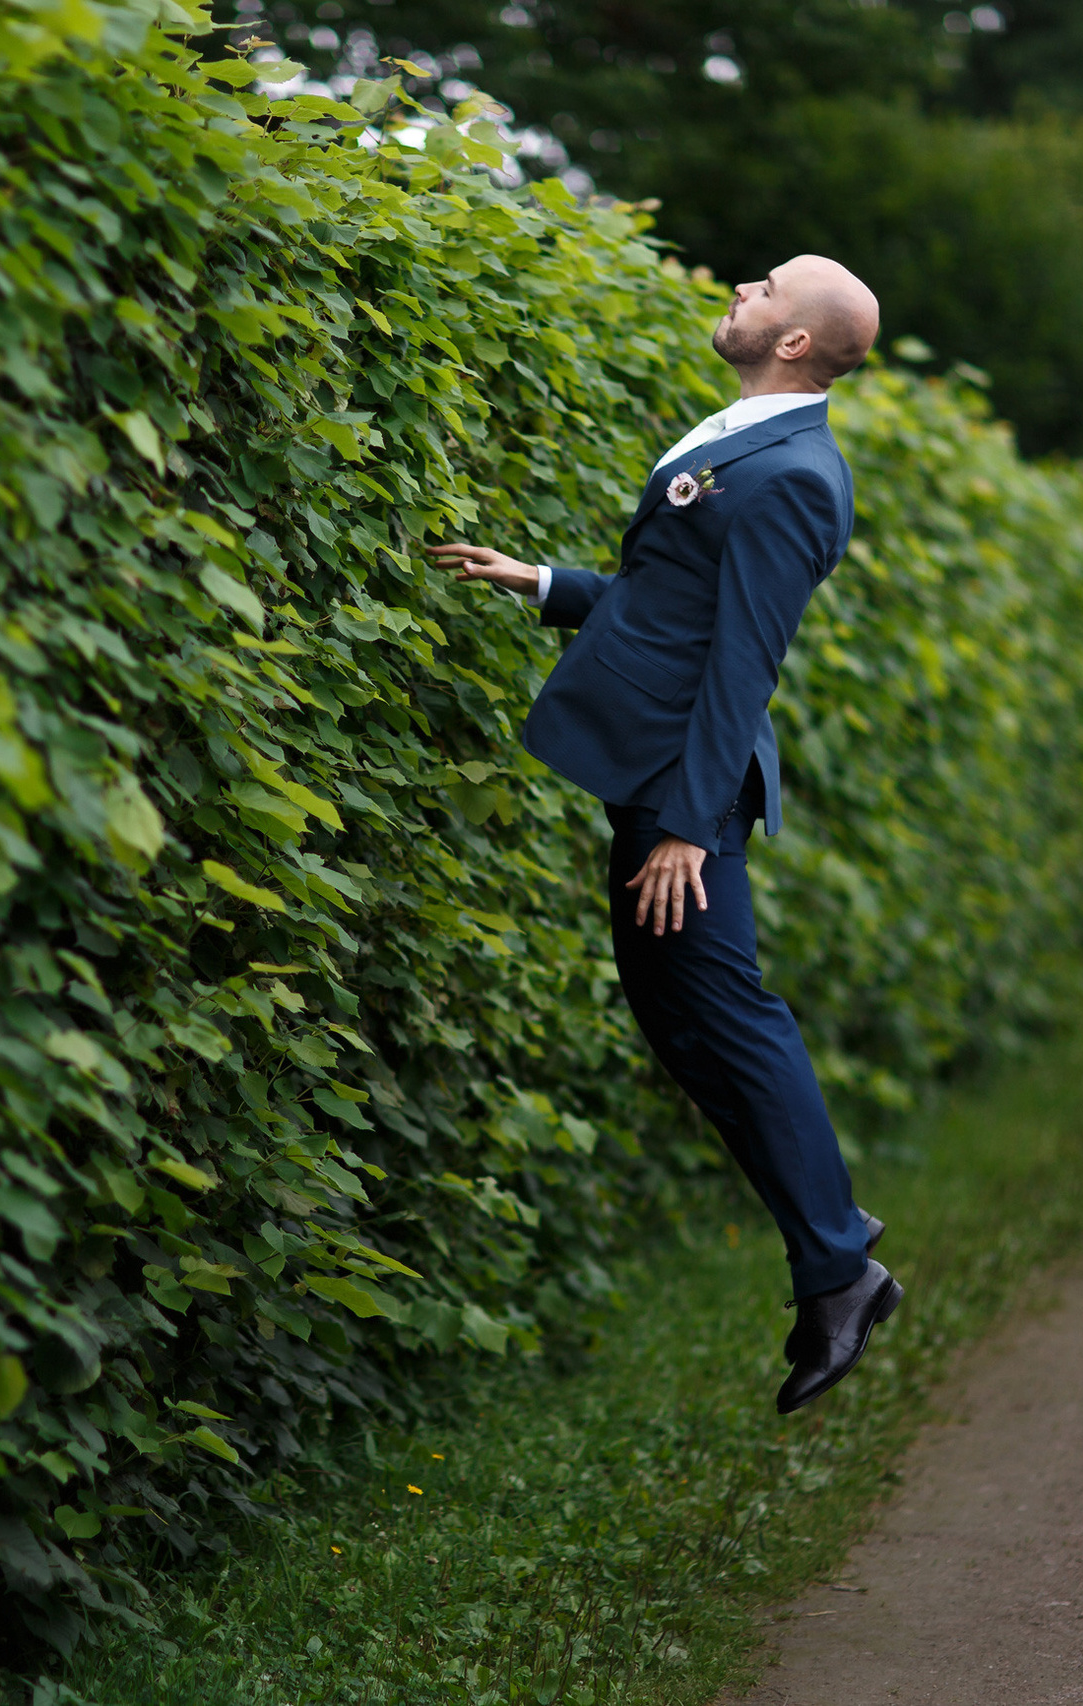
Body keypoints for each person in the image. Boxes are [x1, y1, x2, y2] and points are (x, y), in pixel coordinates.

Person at [427, 256, 897, 1414]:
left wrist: (686, 826)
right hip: (657, 771)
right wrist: (543, 581)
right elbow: (671, 600)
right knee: (684, 1016)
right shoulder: (746, 436)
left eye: (768, 284)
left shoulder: (794, 474)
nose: (745, 284)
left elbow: (742, 660)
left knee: (723, 1013)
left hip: (680, 787)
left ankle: (840, 1268)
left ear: (795, 341)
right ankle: (836, 1242)